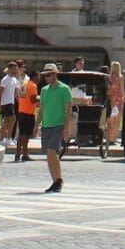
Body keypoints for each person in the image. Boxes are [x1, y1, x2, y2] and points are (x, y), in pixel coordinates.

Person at [36, 63, 72, 194]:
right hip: (46, 125)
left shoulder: (64, 89)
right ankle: (55, 180)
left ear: (55, 74)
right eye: (45, 75)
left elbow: (68, 110)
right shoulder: (44, 90)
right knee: (49, 153)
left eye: (49, 74)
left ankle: (58, 180)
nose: (46, 77)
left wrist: (67, 127)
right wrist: (36, 124)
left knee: (51, 150)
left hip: (58, 124)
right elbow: (41, 109)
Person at [13, 67, 39, 163]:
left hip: (21, 111)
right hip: (29, 112)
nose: (40, 78)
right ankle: (25, 154)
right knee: (26, 135)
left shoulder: (24, 84)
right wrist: (42, 99)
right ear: (35, 77)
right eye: (39, 76)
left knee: (21, 134)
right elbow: (32, 99)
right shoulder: (33, 85)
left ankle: (17, 154)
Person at [0, 61, 20, 150]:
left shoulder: (14, 79)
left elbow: (15, 92)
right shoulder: (5, 79)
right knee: (13, 119)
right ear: (10, 69)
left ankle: (2, 139)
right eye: (15, 68)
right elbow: (0, 92)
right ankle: (8, 138)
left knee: (6, 121)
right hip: (6, 103)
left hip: (11, 102)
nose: (16, 70)